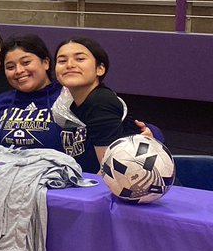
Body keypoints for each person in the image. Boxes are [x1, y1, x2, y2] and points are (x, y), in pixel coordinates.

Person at [53, 36, 147, 173]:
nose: (69, 65)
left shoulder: (100, 102)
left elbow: (110, 171)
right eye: (62, 61)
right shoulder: (67, 103)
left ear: (100, 69)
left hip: (134, 187)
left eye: (80, 59)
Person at [0, 34, 75, 156]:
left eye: (26, 62)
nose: (19, 71)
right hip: (5, 172)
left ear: (46, 63)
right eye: (10, 67)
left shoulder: (67, 98)